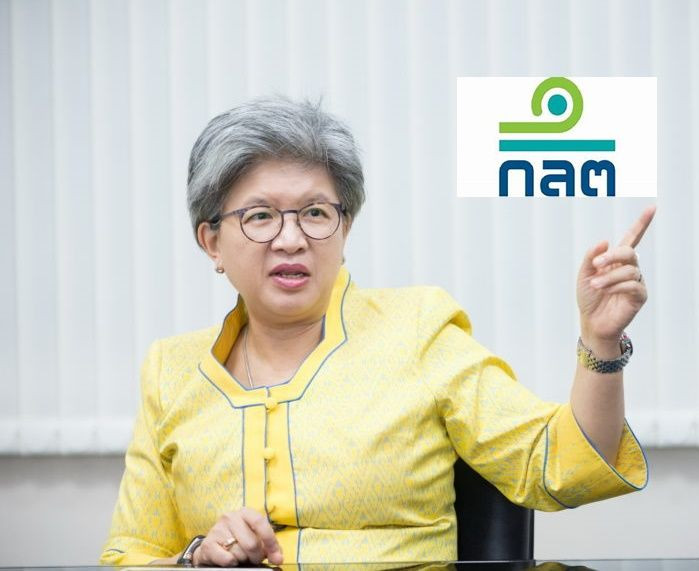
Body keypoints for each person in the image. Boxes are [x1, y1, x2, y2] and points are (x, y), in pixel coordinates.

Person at [100, 96, 653, 566]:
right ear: (212, 242)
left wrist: (600, 343)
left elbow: (556, 464)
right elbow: (128, 553)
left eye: (316, 213)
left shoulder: (417, 329)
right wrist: (195, 557)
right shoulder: (171, 370)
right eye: (260, 216)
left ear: (344, 230)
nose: (291, 239)